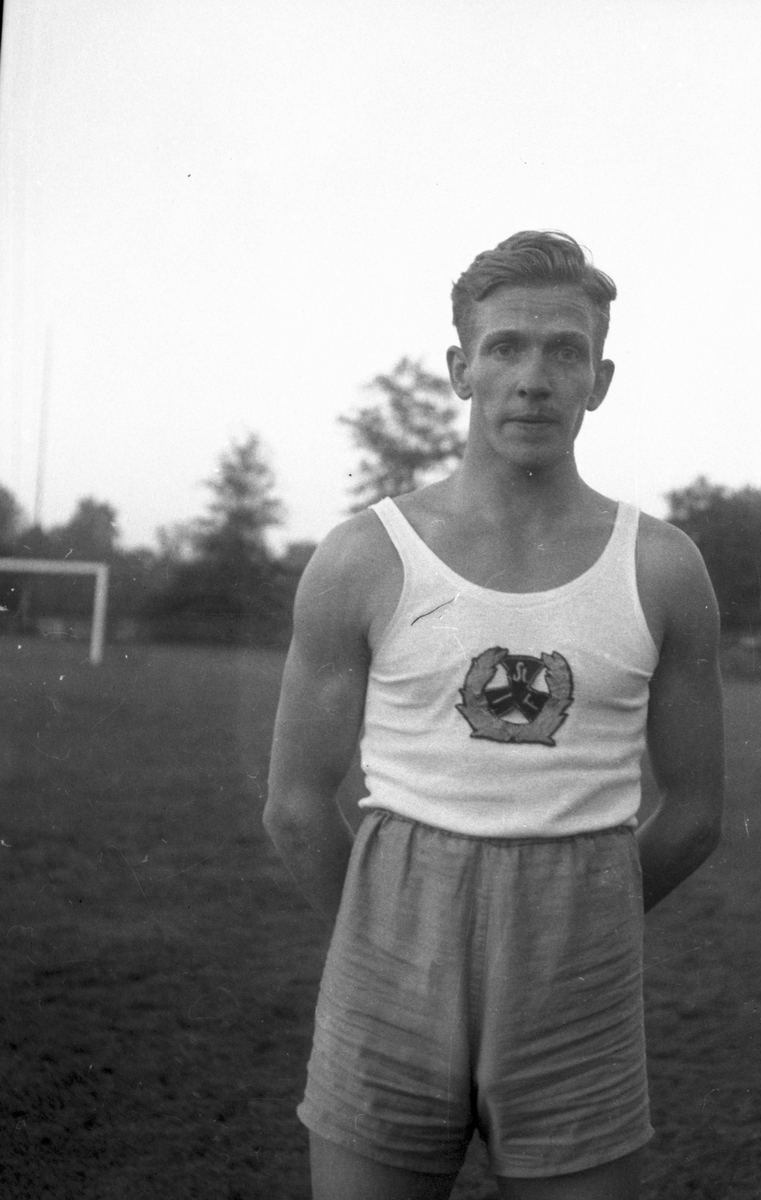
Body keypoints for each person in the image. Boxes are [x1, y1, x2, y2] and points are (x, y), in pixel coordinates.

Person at [264, 230, 725, 1200]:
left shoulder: (661, 566)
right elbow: (297, 804)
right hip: (388, 974)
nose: (533, 379)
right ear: (459, 369)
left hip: (579, 982)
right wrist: (388, 941)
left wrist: (580, 919)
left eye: (564, 352)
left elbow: (694, 812)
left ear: (599, 381)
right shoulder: (365, 556)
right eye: (506, 347)